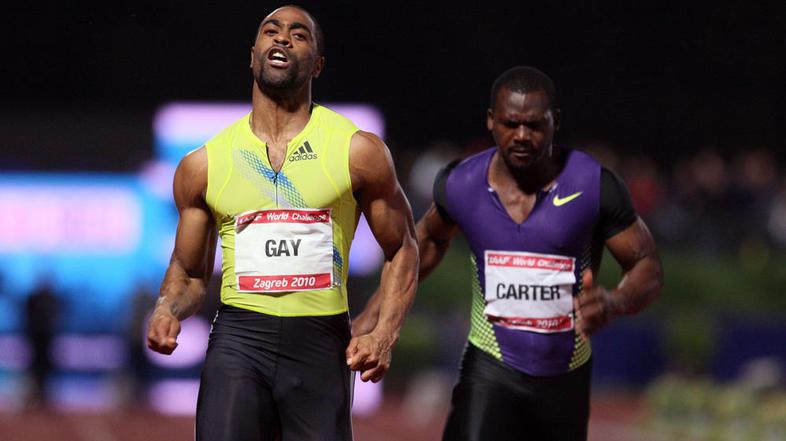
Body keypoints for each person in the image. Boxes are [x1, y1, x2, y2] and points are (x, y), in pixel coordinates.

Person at [146, 5, 418, 441]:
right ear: (252, 55)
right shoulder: (204, 165)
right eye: (271, 31)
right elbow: (190, 274)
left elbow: (403, 247)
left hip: (320, 343)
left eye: (299, 34)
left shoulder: (357, 152)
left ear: (318, 64)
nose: (283, 38)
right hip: (239, 339)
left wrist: (384, 332)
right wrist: (167, 308)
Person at [353, 66, 664, 441]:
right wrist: (374, 313)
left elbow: (646, 264)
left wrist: (615, 302)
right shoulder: (463, 183)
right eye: (509, 123)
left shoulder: (594, 185)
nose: (521, 136)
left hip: (565, 374)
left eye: (534, 125)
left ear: (555, 122)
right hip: (490, 367)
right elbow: (427, 243)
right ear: (490, 121)